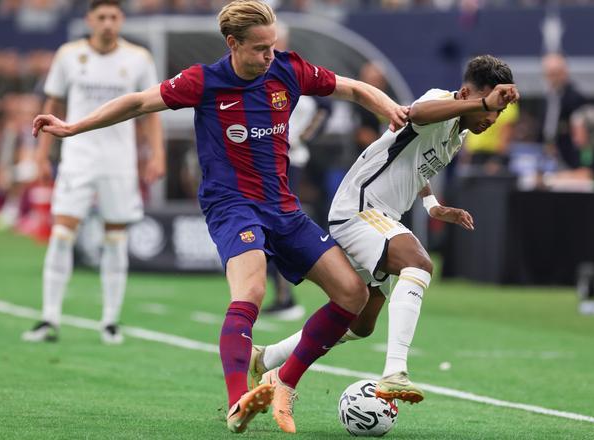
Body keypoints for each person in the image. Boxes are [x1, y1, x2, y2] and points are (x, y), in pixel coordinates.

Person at [30, 0, 408, 434]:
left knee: (352, 295)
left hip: (283, 206)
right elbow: (136, 102)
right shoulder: (203, 81)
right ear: (233, 44)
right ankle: (236, 404)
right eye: (260, 48)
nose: (271, 55)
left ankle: (282, 380)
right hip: (232, 207)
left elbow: (355, 89)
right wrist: (74, 127)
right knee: (250, 290)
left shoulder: (288, 69)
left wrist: (392, 109)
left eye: (273, 45)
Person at [250, 55, 518, 404]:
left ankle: (267, 358)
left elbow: (416, 166)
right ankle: (394, 373)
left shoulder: (457, 134)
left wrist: (433, 206)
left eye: (497, 112)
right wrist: (481, 102)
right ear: (467, 93)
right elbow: (415, 115)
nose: (491, 118)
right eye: (489, 108)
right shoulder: (441, 99)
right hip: (360, 207)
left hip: (382, 216)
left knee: (361, 323)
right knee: (419, 264)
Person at [22, 0, 165, 344]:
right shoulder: (69, 55)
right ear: (89, 20)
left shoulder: (138, 59)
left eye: (113, 17)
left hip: (119, 160)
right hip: (78, 157)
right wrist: (42, 154)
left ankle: (110, 321)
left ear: (121, 19)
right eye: (101, 17)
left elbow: (151, 110)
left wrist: (156, 154)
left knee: (115, 236)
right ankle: (49, 317)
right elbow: (52, 104)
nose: (107, 23)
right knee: (61, 232)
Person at [262, 22, 330, 321]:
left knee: (278, 226)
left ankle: (288, 294)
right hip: (268, 161)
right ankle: (283, 294)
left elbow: (321, 108)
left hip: (288, 162)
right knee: (266, 228)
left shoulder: (292, 74)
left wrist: (300, 138)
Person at [540, 53, 586, 170]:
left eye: (555, 74)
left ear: (564, 73)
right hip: (546, 153)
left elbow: (579, 132)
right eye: (549, 75)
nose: (552, 79)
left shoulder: (575, 98)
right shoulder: (547, 97)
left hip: (568, 154)